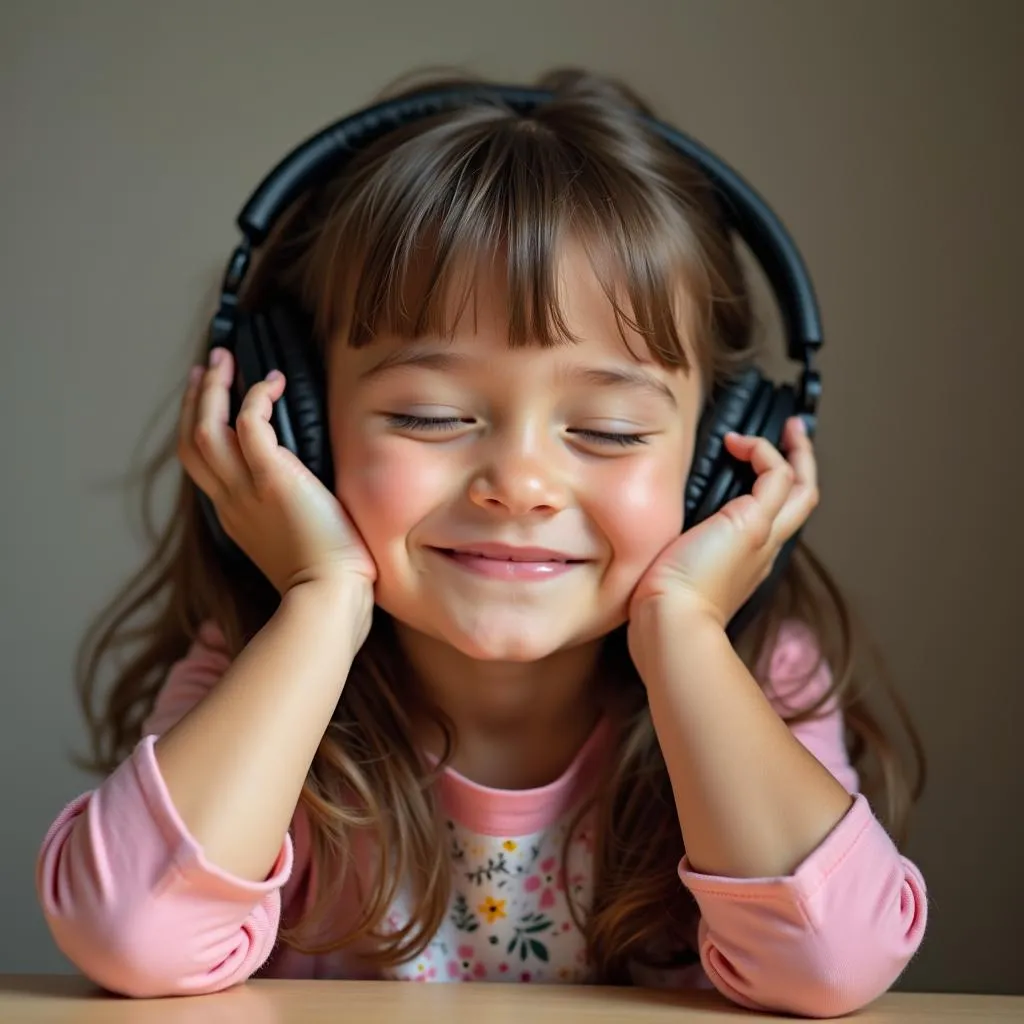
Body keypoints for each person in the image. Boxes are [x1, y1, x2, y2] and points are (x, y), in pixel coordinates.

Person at [36, 68, 928, 1016]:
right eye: (428, 415)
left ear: (719, 459)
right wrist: (323, 597)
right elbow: (130, 934)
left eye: (612, 431)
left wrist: (684, 636)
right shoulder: (260, 672)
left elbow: (832, 964)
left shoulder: (757, 676)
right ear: (298, 426)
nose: (521, 486)